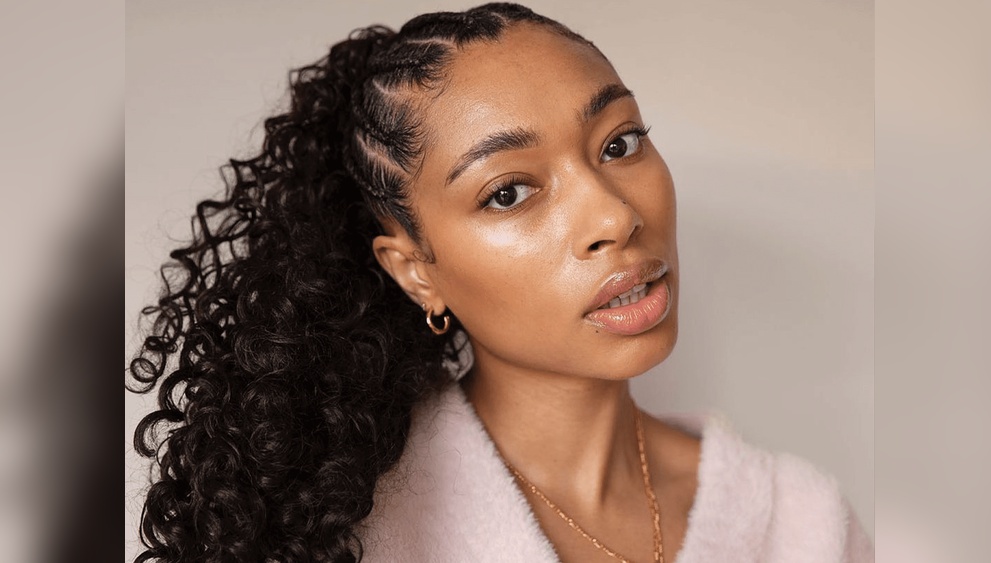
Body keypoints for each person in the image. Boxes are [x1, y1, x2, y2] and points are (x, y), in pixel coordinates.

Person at [127, 4, 873, 562]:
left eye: (620, 143)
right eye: (509, 192)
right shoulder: (341, 533)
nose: (615, 216)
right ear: (415, 271)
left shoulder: (801, 524)